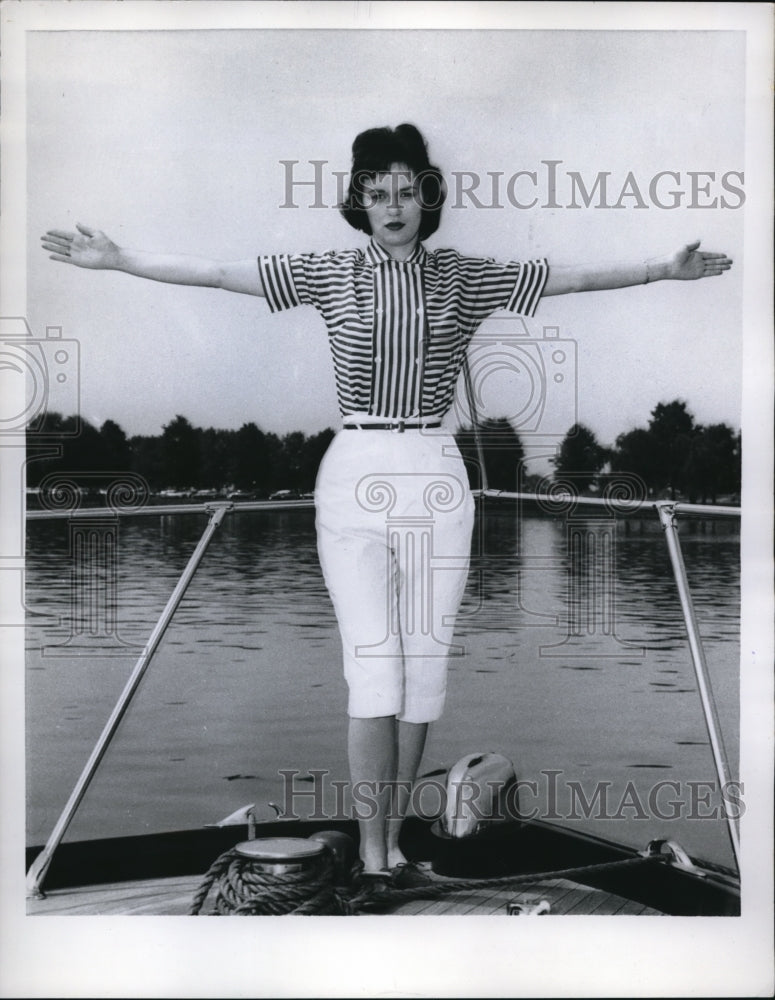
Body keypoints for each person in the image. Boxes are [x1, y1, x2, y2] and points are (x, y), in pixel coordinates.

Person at [42, 123, 733, 879]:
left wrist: (662, 269)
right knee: (373, 668)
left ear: (425, 198)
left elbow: (564, 278)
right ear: (359, 202)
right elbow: (213, 273)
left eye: (406, 191)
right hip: (355, 468)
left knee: (423, 671)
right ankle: (370, 854)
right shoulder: (328, 273)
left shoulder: (464, 278)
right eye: (377, 193)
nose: (393, 206)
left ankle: (392, 847)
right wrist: (117, 260)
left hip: (435, 470)